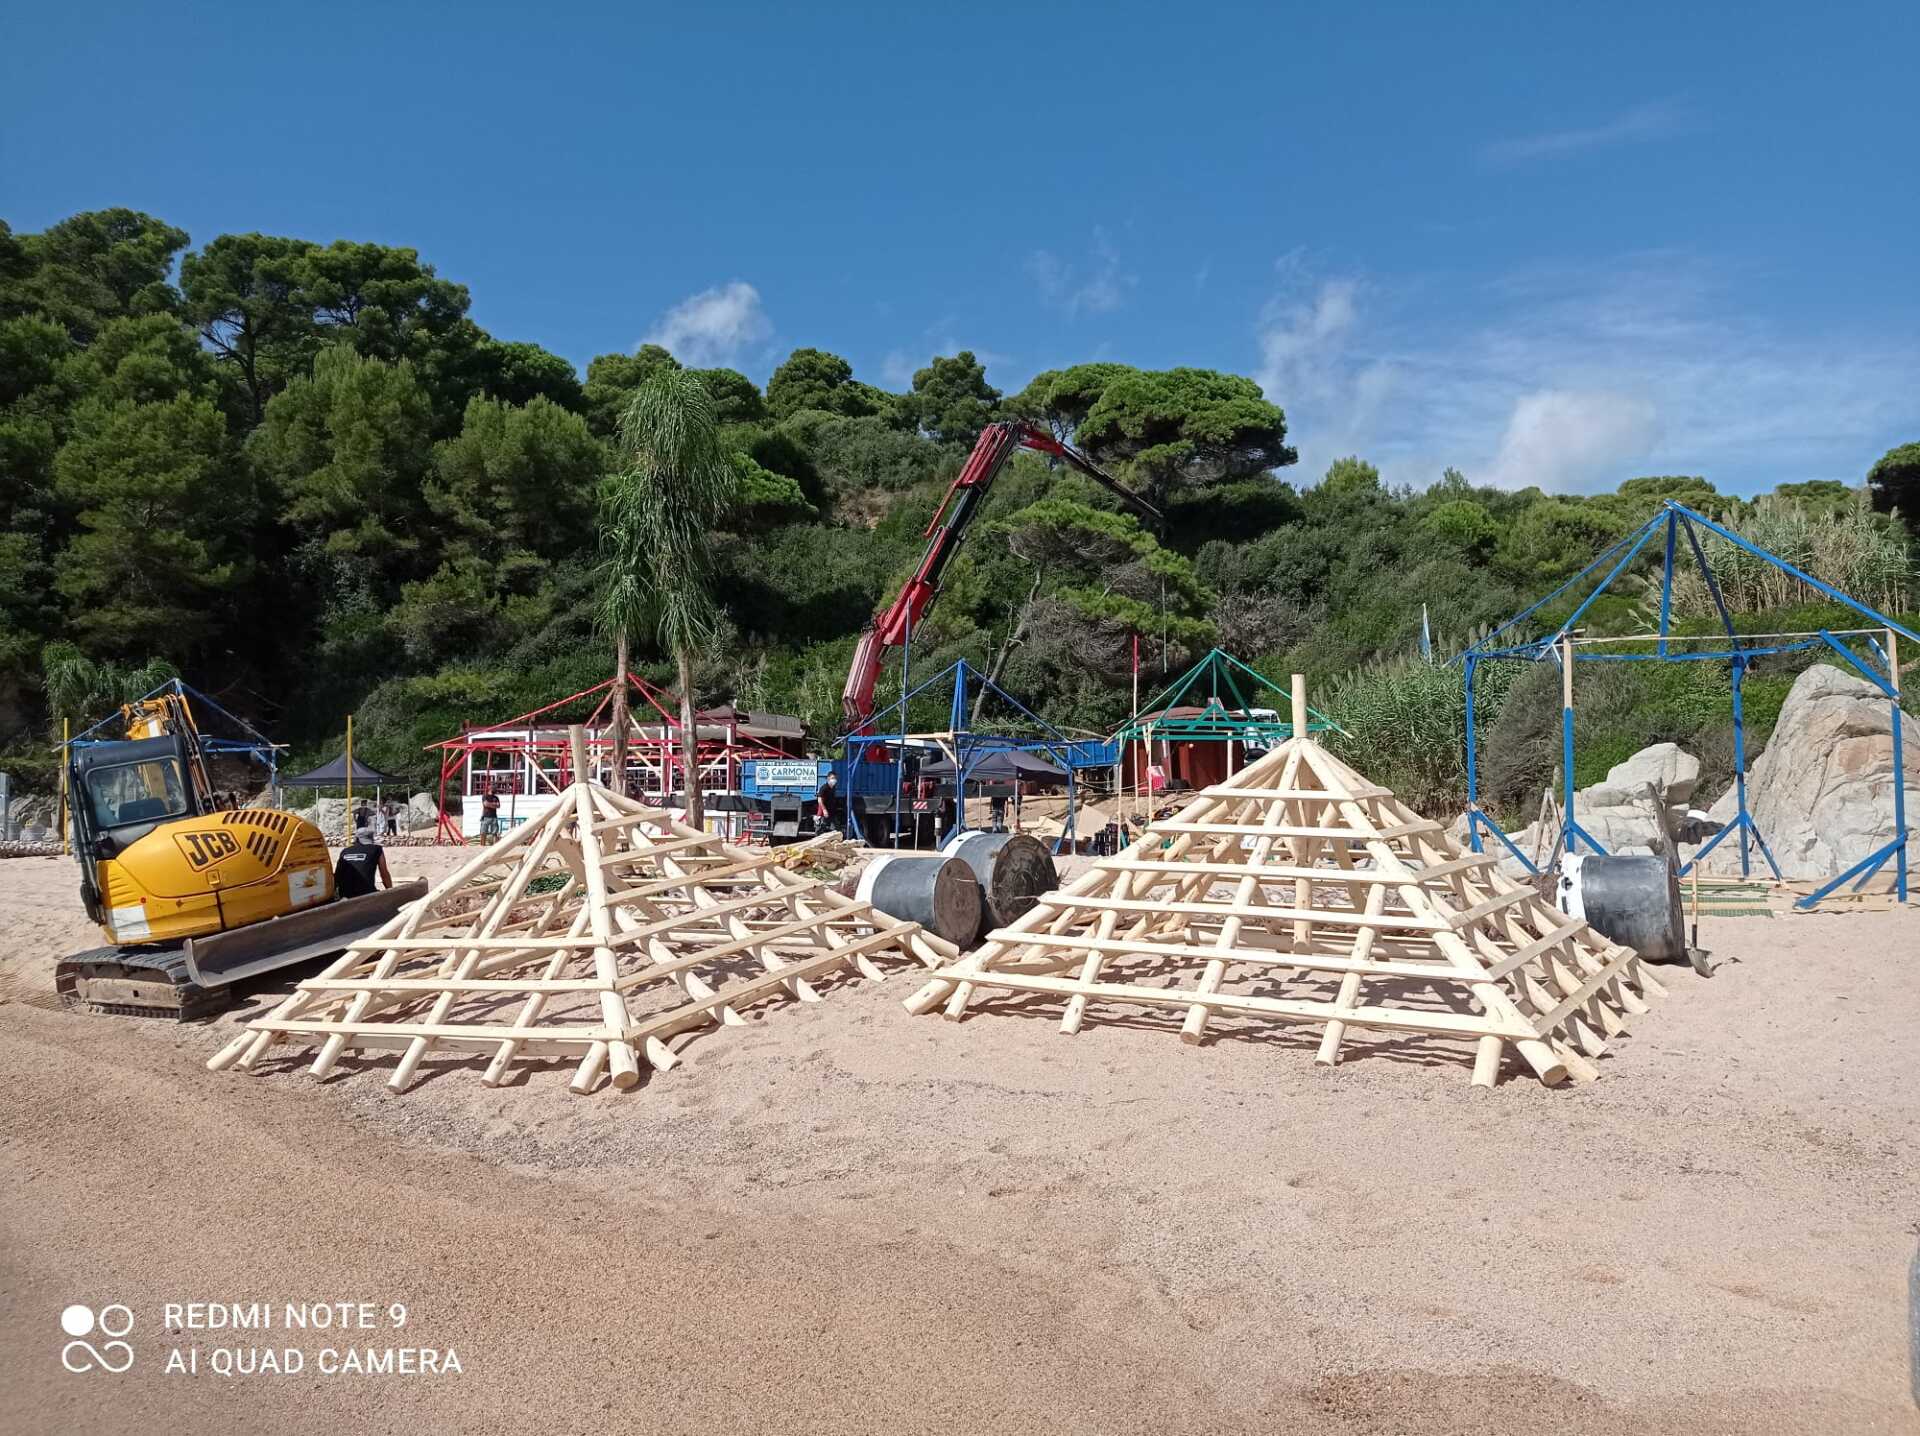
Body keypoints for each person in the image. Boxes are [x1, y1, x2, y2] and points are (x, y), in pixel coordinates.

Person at [333, 824, 392, 898]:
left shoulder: (345, 851)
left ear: (356, 839)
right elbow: (384, 873)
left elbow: (337, 874)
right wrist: (390, 891)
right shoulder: (376, 849)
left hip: (345, 895)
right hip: (366, 894)